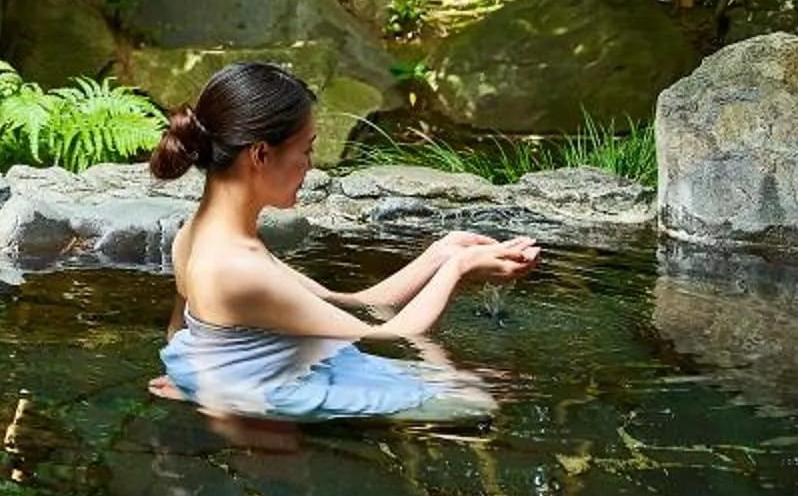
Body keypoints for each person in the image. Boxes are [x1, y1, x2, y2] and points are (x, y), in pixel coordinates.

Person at [147, 61, 536, 423]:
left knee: (478, 382)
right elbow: (392, 335)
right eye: (306, 150)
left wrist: (439, 254)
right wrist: (459, 269)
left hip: (264, 370)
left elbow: (350, 302)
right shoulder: (237, 267)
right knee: (478, 400)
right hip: (267, 390)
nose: (310, 165)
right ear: (260, 154)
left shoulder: (199, 234)